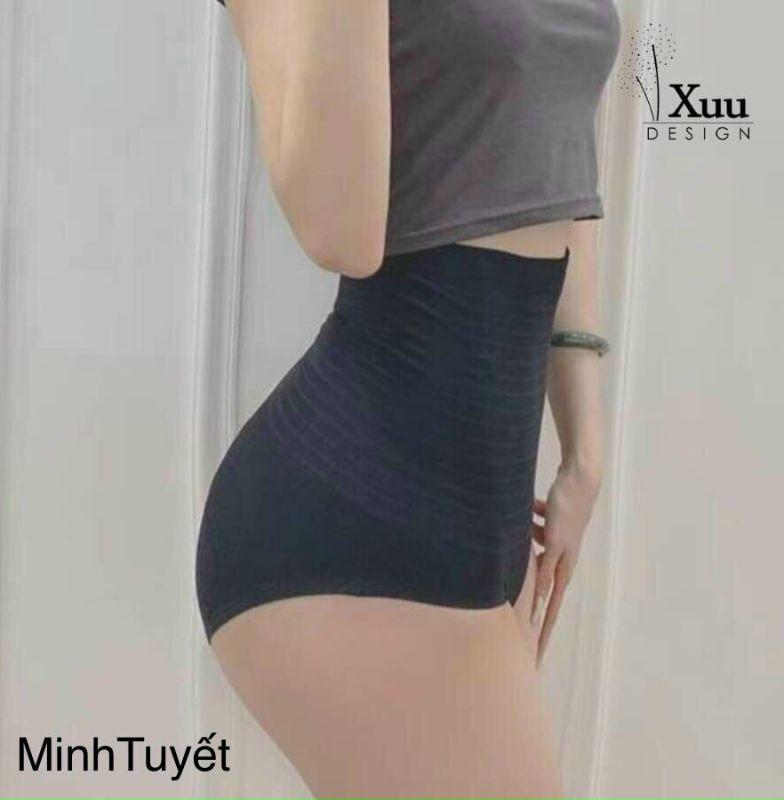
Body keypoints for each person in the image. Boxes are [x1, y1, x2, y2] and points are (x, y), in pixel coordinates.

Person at [196, 1, 620, 796]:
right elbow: (341, 234)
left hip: (485, 515)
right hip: (352, 519)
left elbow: (563, 154)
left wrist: (585, 448)